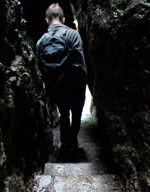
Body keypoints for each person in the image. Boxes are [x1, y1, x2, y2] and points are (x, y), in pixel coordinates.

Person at [36, 3, 87, 156]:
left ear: (47, 20)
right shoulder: (73, 35)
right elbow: (80, 62)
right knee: (76, 114)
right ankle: (73, 140)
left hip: (58, 86)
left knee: (64, 114)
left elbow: (40, 68)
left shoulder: (41, 42)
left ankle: (65, 144)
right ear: (63, 19)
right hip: (75, 84)